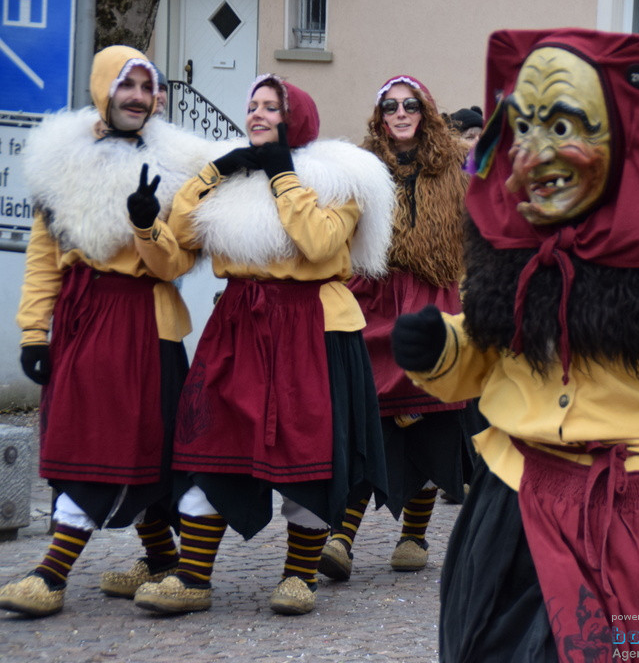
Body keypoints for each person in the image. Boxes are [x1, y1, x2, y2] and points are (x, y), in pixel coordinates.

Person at [390, 28, 639, 662]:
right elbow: (490, 348)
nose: (532, 152)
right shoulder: (512, 229)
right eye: (522, 127)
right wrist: (443, 348)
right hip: (515, 505)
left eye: (560, 125)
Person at [131, 74, 395, 616]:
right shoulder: (230, 178)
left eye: (270, 107)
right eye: (252, 105)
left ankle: (300, 576)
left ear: (293, 116)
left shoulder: (342, 179)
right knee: (212, 445)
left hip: (312, 328)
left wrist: (282, 176)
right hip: (238, 328)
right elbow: (177, 252)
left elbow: (319, 244)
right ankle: (192, 578)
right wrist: (198, 184)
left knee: (307, 453)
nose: (255, 114)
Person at [0, 45, 216, 617]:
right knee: (79, 432)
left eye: (147, 88)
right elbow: (44, 255)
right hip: (79, 315)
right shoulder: (61, 158)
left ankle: (53, 572)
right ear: (104, 89)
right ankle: (162, 559)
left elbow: (175, 266)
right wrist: (32, 333)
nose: (138, 98)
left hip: (143, 319)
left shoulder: (179, 164)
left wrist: (147, 224)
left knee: (125, 439)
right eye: (128, 86)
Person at [318, 75, 471, 579]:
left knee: (432, 417)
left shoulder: (455, 173)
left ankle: (414, 534)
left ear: (425, 112)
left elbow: (480, 239)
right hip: (375, 299)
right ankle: (342, 535)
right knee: (372, 415)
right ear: (379, 116)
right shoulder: (358, 170)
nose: (401, 113)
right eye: (391, 106)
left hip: (433, 298)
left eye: (410, 105)